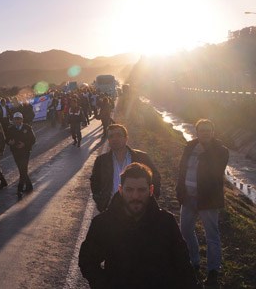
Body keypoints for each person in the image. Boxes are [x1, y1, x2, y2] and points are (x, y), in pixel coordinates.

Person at [79, 163, 200, 289]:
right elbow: (87, 260)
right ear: (120, 190)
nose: (135, 196)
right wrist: (103, 284)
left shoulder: (166, 222)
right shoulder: (103, 223)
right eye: (129, 190)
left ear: (151, 190)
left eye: (141, 190)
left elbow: (183, 265)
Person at [175, 119, 229, 287]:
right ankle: (194, 261)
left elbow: (215, 170)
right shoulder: (190, 147)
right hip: (188, 198)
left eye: (208, 130)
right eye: (202, 130)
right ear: (197, 132)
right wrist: (179, 189)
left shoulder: (221, 151)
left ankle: (213, 271)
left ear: (213, 132)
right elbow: (182, 168)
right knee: (185, 230)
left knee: (212, 236)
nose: (205, 133)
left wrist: (204, 152)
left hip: (208, 200)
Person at [90, 124, 161, 212]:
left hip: (138, 209)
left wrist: (150, 200)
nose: (115, 139)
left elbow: (155, 178)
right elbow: (95, 183)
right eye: (111, 136)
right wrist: (100, 203)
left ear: (126, 138)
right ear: (108, 140)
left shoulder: (142, 157)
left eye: (119, 135)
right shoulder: (101, 161)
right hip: (111, 210)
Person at [6, 112, 36, 199]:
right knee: (21, 169)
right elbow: (6, 139)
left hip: (25, 151)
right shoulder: (10, 128)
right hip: (15, 152)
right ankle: (29, 186)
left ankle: (19, 189)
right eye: (15, 119)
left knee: (23, 169)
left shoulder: (27, 128)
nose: (17, 121)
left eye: (19, 119)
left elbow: (33, 140)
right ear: (13, 120)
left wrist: (25, 144)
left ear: (22, 120)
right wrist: (9, 142)